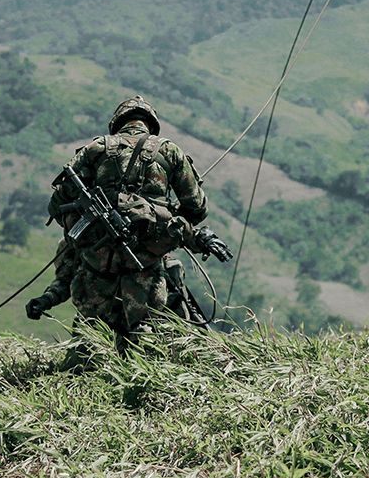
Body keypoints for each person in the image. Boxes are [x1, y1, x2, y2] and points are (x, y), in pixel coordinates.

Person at [25, 96, 231, 340]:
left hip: (97, 263)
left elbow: (58, 205)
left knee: (90, 338)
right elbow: (196, 208)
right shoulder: (169, 151)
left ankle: (83, 371)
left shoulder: (95, 149)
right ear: (150, 126)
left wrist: (91, 221)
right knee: (146, 334)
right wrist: (162, 216)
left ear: (118, 123)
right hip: (146, 260)